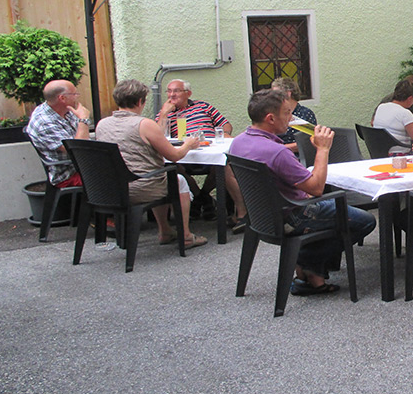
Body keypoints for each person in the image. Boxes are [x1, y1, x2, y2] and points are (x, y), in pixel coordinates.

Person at [230, 90, 376, 295]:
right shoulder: (277, 152)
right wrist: (323, 149)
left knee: (339, 211)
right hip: (294, 215)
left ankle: (311, 274)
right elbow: (316, 188)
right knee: (364, 221)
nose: (292, 119)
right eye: (288, 113)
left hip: (261, 217)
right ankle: (306, 263)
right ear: (270, 118)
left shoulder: (239, 142)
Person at [95, 79, 207, 248]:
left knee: (160, 175)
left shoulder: (102, 124)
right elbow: (174, 156)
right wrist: (188, 145)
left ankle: (166, 231)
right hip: (141, 188)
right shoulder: (144, 124)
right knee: (177, 180)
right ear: (140, 101)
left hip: (111, 189)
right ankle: (186, 236)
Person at [156, 79, 247, 231]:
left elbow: (225, 124)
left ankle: (241, 214)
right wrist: (164, 113)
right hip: (183, 151)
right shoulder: (164, 113)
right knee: (172, 166)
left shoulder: (203, 106)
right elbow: (158, 136)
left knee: (225, 165)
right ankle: (203, 197)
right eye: (169, 91)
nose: (171, 95)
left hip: (209, 146)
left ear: (188, 93)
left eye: (176, 91)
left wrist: (224, 133)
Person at [25, 79, 92, 188]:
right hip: (68, 173)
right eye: (74, 94)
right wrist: (83, 120)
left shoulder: (64, 110)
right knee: (116, 176)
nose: (77, 97)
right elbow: (79, 151)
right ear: (62, 98)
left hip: (81, 165)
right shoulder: (44, 123)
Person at [271, 77, 317, 153]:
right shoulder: (275, 113)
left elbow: (309, 143)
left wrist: (280, 149)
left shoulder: (305, 113)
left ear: (288, 94)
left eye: (276, 94)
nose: (273, 98)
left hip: (297, 157)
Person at [372, 78, 413, 147]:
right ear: (410, 98)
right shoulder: (405, 113)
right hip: (399, 153)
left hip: (380, 150)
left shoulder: (381, 107)